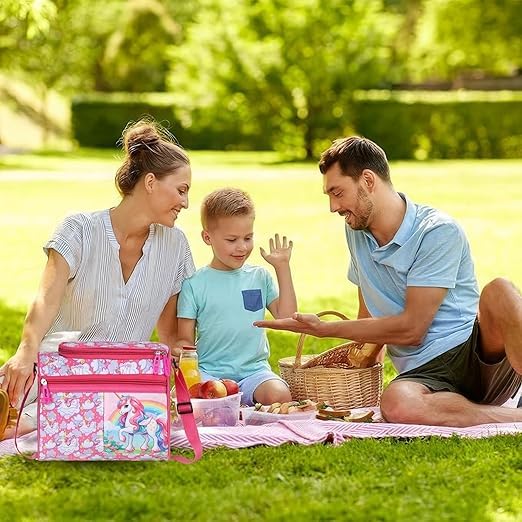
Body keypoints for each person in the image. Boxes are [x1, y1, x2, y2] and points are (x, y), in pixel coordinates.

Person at [254, 136, 522, 427]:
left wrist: (325, 329)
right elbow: (367, 313)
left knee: (500, 290)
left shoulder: (436, 231)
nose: (333, 206)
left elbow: (412, 329)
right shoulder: (355, 230)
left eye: (338, 192)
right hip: (425, 375)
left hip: (474, 353)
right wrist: (357, 368)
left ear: (368, 180)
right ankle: (509, 417)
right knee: (396, 402)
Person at [0, 119, 195, 440]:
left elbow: (169, 335)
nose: (186, 203)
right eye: (181, 190)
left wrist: (179, 367)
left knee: (42, 422)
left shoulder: (175, 246)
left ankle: (39, 423)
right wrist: (25, 351)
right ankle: (38, 418)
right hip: (52, 370)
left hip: (119, 389)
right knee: (10, 401)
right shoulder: (78, 230)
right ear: (150, 182)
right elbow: (45, 299)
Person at [175, 188, 295, 406]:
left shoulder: (259, 277)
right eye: (232, 240)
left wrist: (282, 268)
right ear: (207, 237)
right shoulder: (194, 284)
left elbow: (286, 319)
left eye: (248, 238)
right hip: (209, 373)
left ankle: (239, 402)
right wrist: (182, 353)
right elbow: (184, 338)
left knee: (281, 396)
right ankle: (232, 405)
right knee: (193, 400)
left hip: (254, 373)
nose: (242, 247)